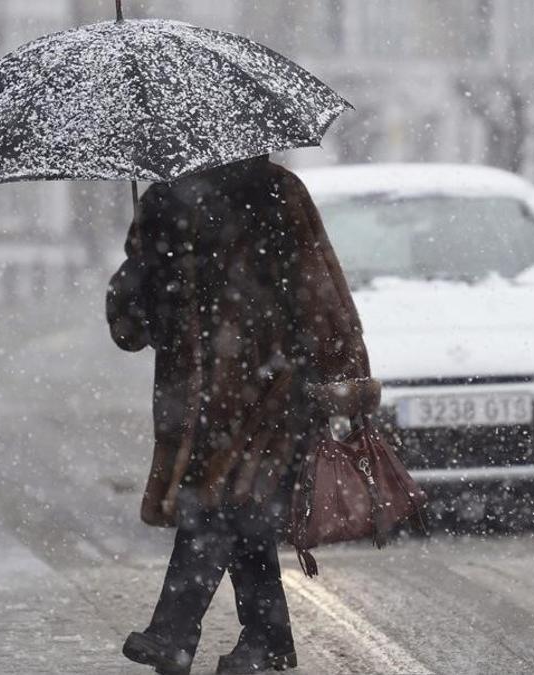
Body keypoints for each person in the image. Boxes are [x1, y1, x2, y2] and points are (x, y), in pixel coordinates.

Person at [107, 155, 380, 674]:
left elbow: (316, 292)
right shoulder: (166, 200)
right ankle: (267, 641)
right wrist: (137, 279)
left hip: (271, 389)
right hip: (196, 402)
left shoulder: (271, 192)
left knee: (215, 507)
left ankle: (174, 633)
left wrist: (339, 376)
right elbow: (132, 328)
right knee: (241, 514)